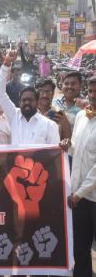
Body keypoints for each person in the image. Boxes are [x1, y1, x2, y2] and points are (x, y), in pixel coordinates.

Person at [60, 76, 96, 277]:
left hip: (91, 196)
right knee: (80, 248)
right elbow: (76, 149)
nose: (93, 96)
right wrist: (68, 145)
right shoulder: (83, 115)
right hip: (79, 198)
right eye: (90, 91)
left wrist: (79, 193)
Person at [0, 51, 60, 144]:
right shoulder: (14, 116)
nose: (27, 102)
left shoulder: (50, 126)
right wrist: (6, 64)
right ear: (19, 102)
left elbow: (54, 154)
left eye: (30, 100)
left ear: (37, 102)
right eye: (24, 100)